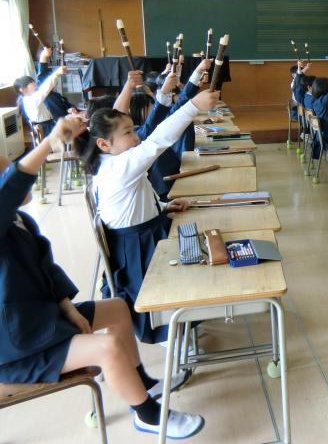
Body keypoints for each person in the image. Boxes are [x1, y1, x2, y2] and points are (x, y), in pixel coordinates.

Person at [0, 117, 204, 438]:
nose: (23, 176)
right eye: (7, 173)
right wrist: (50, 143)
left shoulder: (19, 219)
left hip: (41, 321)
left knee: (119, 309)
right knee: (107, 348)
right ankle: (148, 415)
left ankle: (143, 382)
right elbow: (10, 188)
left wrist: (68, 308)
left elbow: (47, 270)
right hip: (18, 349)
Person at [79, 88, 220, 344]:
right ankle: (172, 336)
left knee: (196, 245)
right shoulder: (118, 167)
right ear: (104, 144)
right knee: (182, 274)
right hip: (138, 247)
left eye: (133, 130)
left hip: (141, 235)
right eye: (127, 133)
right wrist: (192, 106)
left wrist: (163, 206)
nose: (136, 137)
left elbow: (134, 200)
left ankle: (182, 323)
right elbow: (157, 141)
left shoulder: (113, 163)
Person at [14, 64, 68, 136]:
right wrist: (56, 74)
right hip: (46, 129)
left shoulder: (29, 98)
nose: (35, 83)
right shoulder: (30, 100)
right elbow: (44, 90)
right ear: (22, 89)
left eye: (33, 81)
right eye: (31, 82)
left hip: (48, 125)